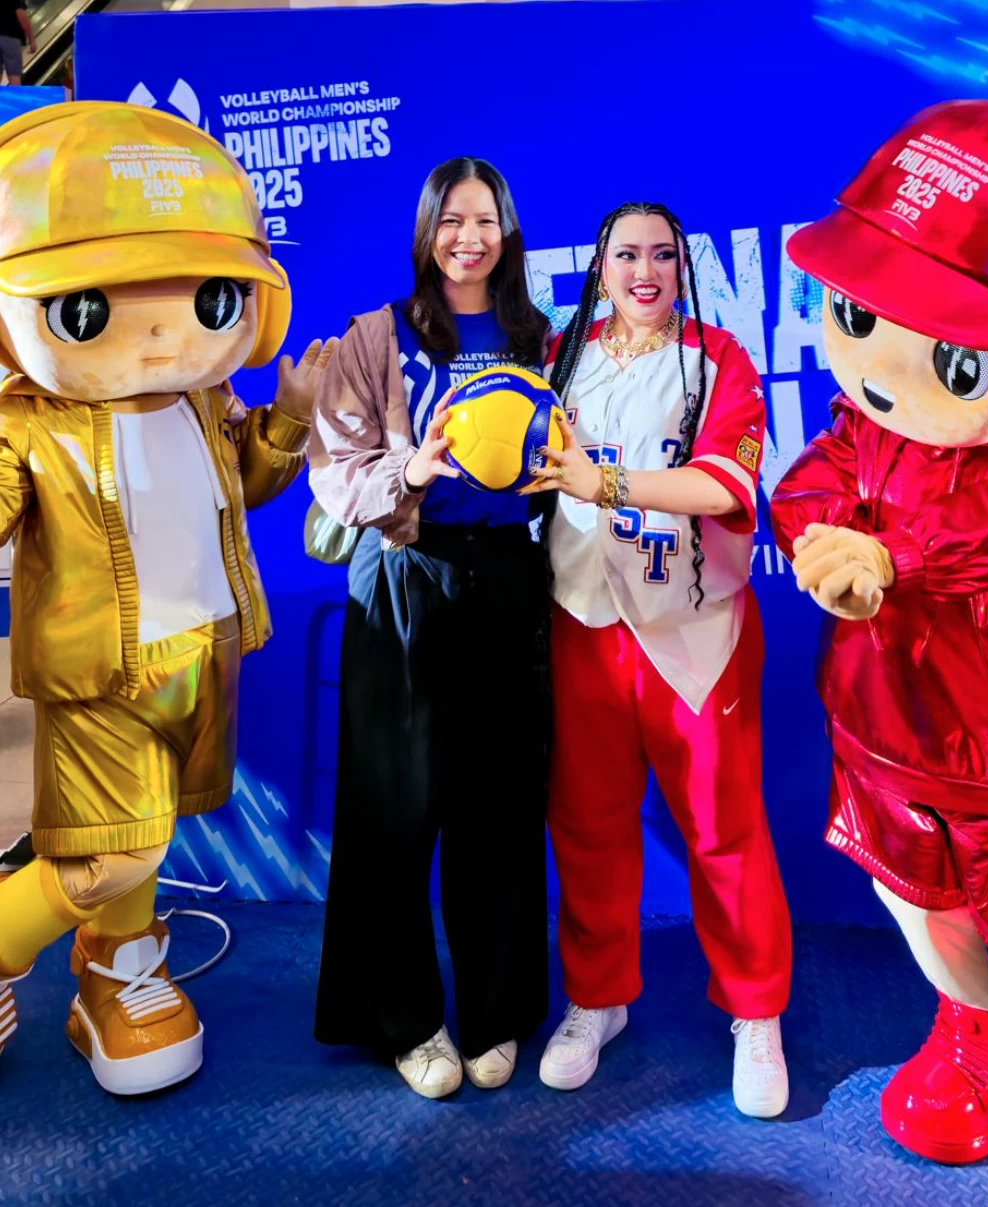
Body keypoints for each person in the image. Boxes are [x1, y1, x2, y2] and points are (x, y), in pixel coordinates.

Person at [771, 96, 988, 1163]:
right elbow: (813, 479)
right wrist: (826, 534)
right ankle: (985, 1036)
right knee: (902, 873)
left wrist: (888, 559)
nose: (879, 373)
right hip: (879, 714)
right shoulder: (861, 424)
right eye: (859, 317)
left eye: (958, 361)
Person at [0, 100, 329, 1094]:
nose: (159, 341)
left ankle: (116, 967)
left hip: (206, 646)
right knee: (108, 848)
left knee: (147, 832)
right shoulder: (29, 424)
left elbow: (244, 486)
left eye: (208, 304)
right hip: (99, 660)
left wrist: (290, 423)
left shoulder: (202, 398)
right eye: (88, 311)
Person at [528, 202, 793, 1117]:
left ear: (683, 265)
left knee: (723, 828)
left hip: (692, 632)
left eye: (662, 254)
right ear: (599, 266)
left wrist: (605, 481)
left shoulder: (716, 355)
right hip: (580, 620)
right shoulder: (564, 350)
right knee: (589, 823)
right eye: (626, 254)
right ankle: (598, 997)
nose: (645, 270)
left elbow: (725, 483)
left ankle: (756, 1010)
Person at [310, 157, 552, 1099]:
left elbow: (569, 452)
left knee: (499, 807)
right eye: (451, 220)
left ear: (507, 229)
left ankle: (497, 1014)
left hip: (508, 586)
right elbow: (338, 466)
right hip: (406, 579)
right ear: (427, 231)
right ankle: (407, 1022)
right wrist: (412, 469)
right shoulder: (380, 335)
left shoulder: (541, 333)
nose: (468, 237)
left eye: (484, 219)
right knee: (392, 812)